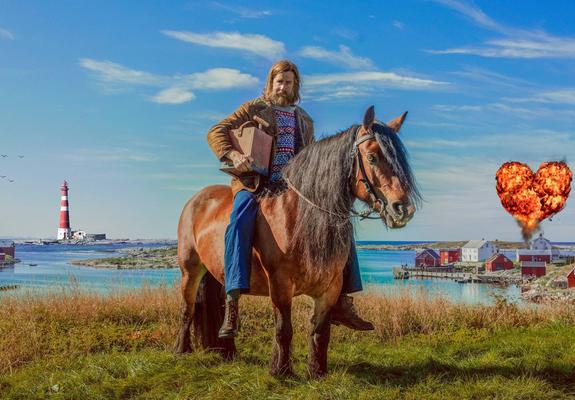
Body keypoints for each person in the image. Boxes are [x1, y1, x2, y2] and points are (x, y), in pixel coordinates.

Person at [207, 60, 374, 338]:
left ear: (295, 86)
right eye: (279, 81)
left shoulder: (304, 119)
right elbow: (216, 131)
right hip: (255, 185)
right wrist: (234, 155)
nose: (283, 86)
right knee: (238, 221)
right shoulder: (254, 108)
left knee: (340, 224)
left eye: (288, 82)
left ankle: (343, 301)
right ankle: (232, 303)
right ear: (271, 84)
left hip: (293, 189)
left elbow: (307, 157)